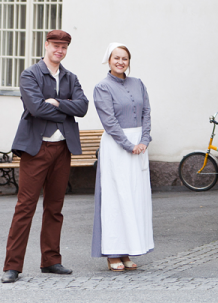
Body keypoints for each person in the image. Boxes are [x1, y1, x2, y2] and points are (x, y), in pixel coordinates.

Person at [2, 30, 88, 284]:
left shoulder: (70, 77)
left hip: (62, 149)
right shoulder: (30, 74)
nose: (59, 50)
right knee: (25, 207)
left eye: (64, 47)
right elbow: (35, 107)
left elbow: (83, 107)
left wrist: (58, 103)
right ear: (47, 45)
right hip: (36, 148)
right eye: (55, 46)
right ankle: (12, 266)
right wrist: (66, 108)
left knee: (55, 207)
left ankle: (50, 260)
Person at [92, 43, 154, 271]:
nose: (120, 62)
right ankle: (113, 253)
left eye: (124, 58)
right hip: (117, 148)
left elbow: (146, 113)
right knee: (116, 199)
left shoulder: (138, 83)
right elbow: (109, 121)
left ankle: (128, 250)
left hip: (139, 148)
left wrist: (144, 140)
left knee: (134, 198)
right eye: (116, 58)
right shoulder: (102, 87)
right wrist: (129, 145)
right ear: (109, 60)